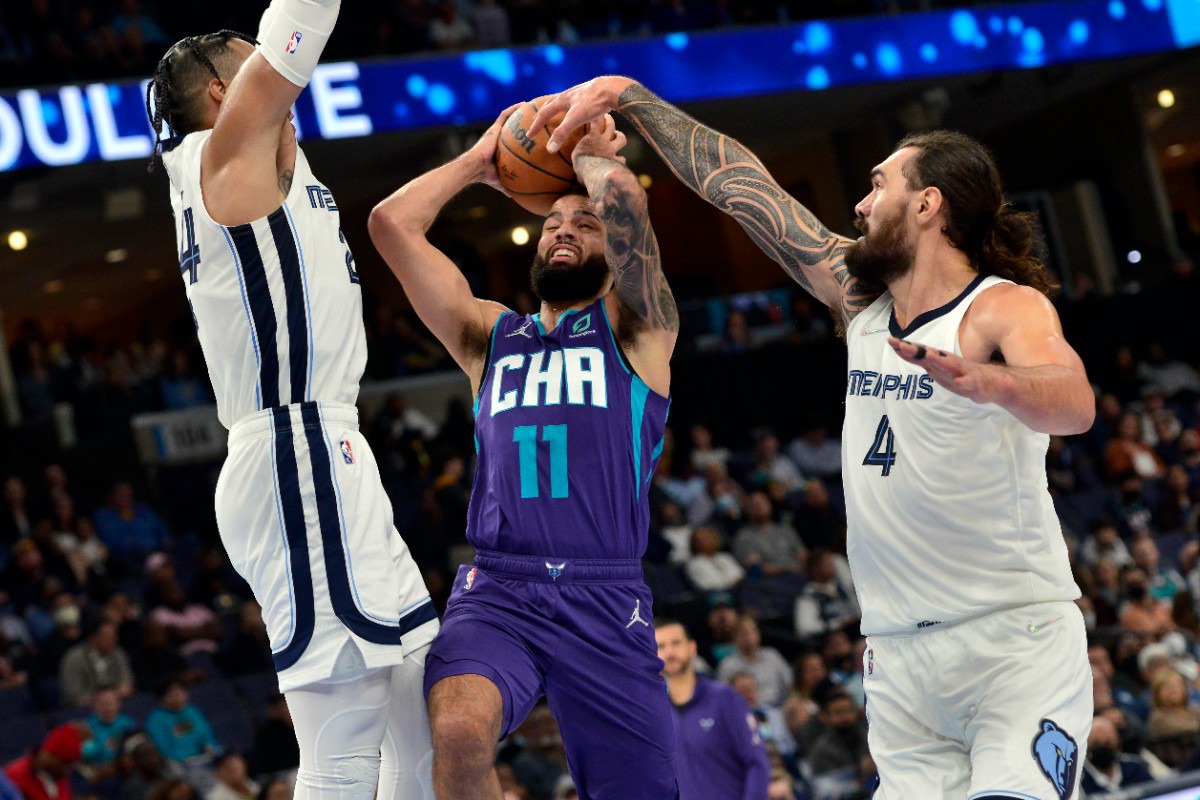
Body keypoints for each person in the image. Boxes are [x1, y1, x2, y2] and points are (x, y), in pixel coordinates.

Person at [534, 77, 1095, 799]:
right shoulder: (860, 299)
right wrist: (633, 97)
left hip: (1010, 640)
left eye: (878, 185)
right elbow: (740, 186)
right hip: (897, 655)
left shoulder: (999, 307)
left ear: (928, 205)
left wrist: (993, 383)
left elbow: (1074, 402)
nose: (860, 204)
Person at [144, 3, 438, 797]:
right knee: (343, 745)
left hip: (330, 450)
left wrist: (481, 159)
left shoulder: (275, 164)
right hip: (292, 452)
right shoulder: (225, 155)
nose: (282, 71)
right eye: (256, 58)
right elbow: (297, 28)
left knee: (420, 714)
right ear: (219, 90)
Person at [369, 109, 680, 799]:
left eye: (585, 222)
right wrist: (480, 160)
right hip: (501, 588)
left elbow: (632, 220)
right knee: (455, 732)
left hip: (605, 595)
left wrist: (599, 160)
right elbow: (391, 225)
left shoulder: (637, 332)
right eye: (552, 221)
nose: (564, 228)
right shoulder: (490, 336)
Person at [654, 619, 769, 800]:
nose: (669, 652)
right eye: (661, 646)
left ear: (692, 648)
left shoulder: (724, 698)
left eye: (676, 643)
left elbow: (756, 763)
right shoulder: (655, 714)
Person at [3, 724, 84, 800]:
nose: (67, 771)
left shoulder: (60, 779)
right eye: (65, 764)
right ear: (49, 756)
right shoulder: (13, 776)